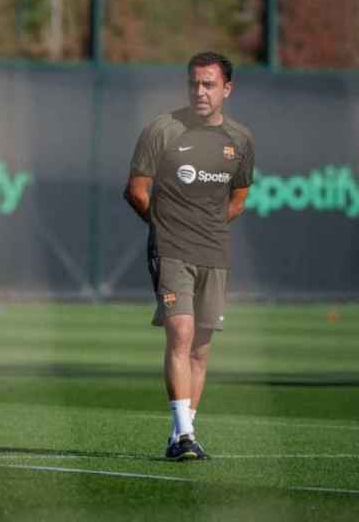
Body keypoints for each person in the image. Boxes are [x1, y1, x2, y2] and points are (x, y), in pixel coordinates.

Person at [123, 51, 255, 461]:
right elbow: (136, 190)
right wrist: (163, 227)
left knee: (200, 348)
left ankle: (183, 433)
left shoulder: (241, 140)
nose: (200, 91)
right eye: (194, 83)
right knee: (180, 335)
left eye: (209, 84)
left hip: (214, 252)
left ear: (227, 89)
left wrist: (210, 227)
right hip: (171, 249)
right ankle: (183, 436)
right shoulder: (161, 130)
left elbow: (240, 196)